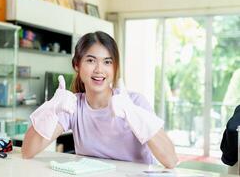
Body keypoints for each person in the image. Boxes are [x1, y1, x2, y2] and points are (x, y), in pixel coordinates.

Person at [21, 31, 178, 168]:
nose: (99, 69)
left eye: (107, 62)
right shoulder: (72, 105)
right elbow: (27, 151)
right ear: (77, 65)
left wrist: (134, 113)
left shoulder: (135, 102)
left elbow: (170, 160)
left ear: (115, 67)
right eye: (90, 60)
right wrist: (51, 109)